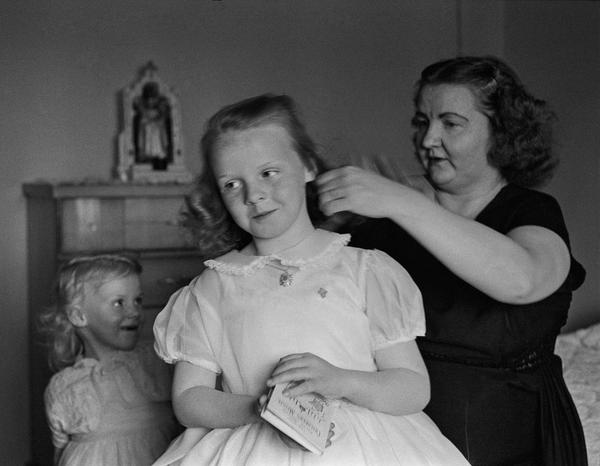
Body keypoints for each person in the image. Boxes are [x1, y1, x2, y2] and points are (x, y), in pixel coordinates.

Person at [151, 93, 469, 465]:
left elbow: (413, 387)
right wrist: (258, 409)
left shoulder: (364, 270)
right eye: (232, 185)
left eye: (269, 173)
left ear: (306, 166)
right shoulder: (213, 286)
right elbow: (190, 400)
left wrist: (342, 381)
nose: (254, 195)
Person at [316, 55, 587, 465]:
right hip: (404, 439)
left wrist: (401, 200)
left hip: (517, 440)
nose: (427, 140)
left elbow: (522, 280)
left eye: (451, 123)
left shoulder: (532, 211)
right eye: (422, 122)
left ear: (501, 131)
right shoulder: (385, 222)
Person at [39, 254, 180, 466]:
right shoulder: (64, 386)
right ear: (79, 316)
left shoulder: (158, 362)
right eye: (118, 303)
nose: (134, 312)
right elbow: (60, 451)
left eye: (137, 300)